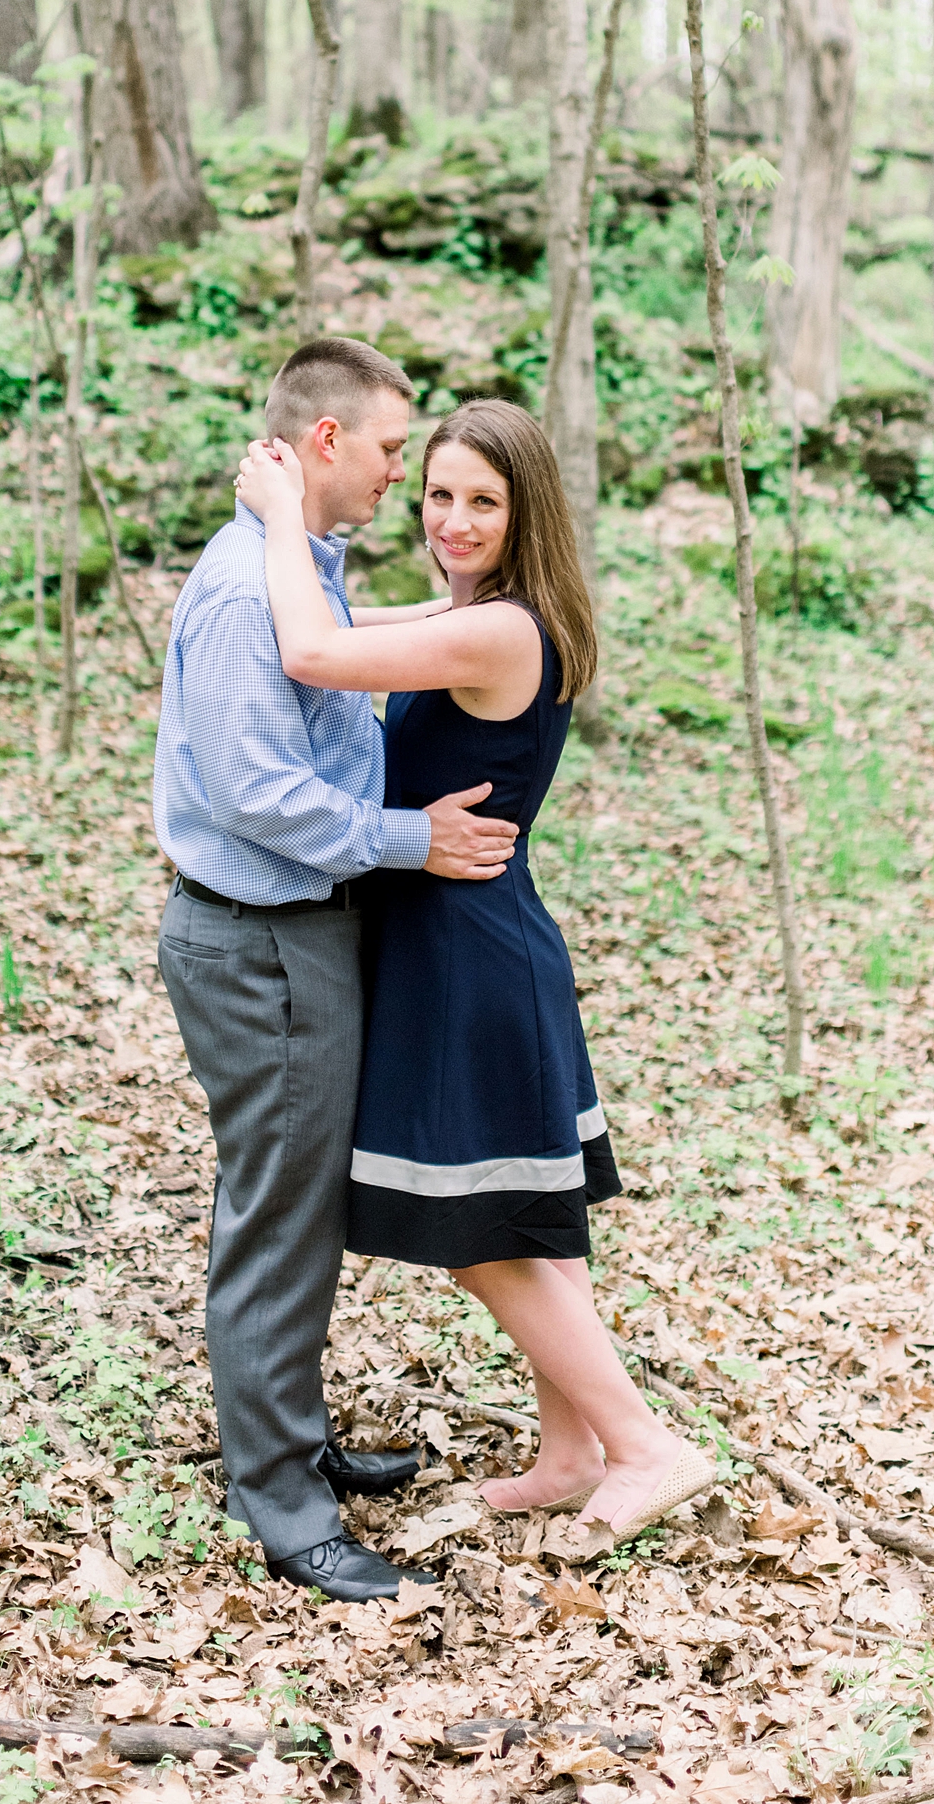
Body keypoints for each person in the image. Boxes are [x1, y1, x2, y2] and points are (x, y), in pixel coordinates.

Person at [234, 397, 717, 1561]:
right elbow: (349, 615)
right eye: (439, 493)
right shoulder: (482, 613)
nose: (451, 519)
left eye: (482, 502)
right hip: (469, 940)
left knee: (476, 1233)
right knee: (524, 1224)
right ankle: (572, 1454)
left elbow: (314, 650)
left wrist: (278, 513)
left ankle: (647, 1447)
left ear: (527, 510)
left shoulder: (497, 633)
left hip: (463, 960)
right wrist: (297, 552)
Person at [153, 338, 524, 1603]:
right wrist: (419, 841)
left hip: (302, 936)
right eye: (385, 450)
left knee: (295, 1203)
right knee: (280, 1214)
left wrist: (480, 620)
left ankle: (289, 1441)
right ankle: (283, 1503)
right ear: (323, 443)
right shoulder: (240, 588)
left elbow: (345, 640)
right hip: (259, 940)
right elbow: (264, 795)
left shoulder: (301, 559)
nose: (400, 476)